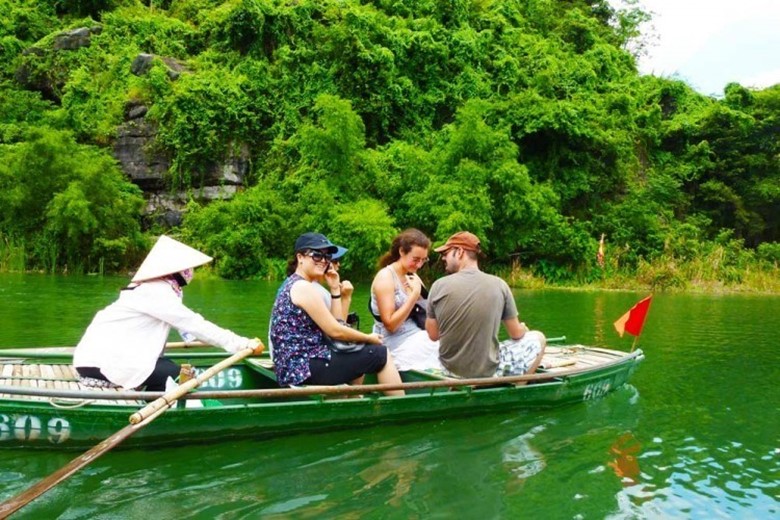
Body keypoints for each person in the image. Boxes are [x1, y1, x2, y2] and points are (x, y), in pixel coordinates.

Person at [73, 235, 264, 391]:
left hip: (95, 358)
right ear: (177, 271)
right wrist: (242, 344)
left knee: (169, 367)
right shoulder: (156, 291)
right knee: (182, 378)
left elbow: (190, 327)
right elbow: (195, 324)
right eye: (188, 268)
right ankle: (153, 413)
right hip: (100, 363)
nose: (191, 272)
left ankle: (148, 401)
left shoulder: (151, 288)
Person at [269, 232, 404, 396]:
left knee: (358, 350)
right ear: (300, 257)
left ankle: (353, 400)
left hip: (295, 365)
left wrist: (334, 290)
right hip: (302, 368)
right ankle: (400, 406)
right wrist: (368, 337)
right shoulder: (303, 287)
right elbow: (335, 331)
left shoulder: (293, 283)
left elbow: (336, 324)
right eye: (317, 256)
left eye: (327, 257)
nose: (324, 261)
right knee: (380, 353)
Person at [425, 231, 546, 379]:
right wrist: (524, 328)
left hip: (449, 371)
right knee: (539, 337)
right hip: (487, 372)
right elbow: (516, 333)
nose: (443, 257)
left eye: (446, 253)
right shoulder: (500, 284)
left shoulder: (438, 286)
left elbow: (433, 335)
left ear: (460, 252)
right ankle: (517, 385)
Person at [369, 228, 441, 371]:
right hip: (393, 340)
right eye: (415, 260)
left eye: (423, 260)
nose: (419, 265)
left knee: (449, 344)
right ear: (402, 252)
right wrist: (413, 296)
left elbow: (427, 310)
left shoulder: (412, 276)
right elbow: (390, 325)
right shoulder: (386, 277)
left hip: (416, 332)